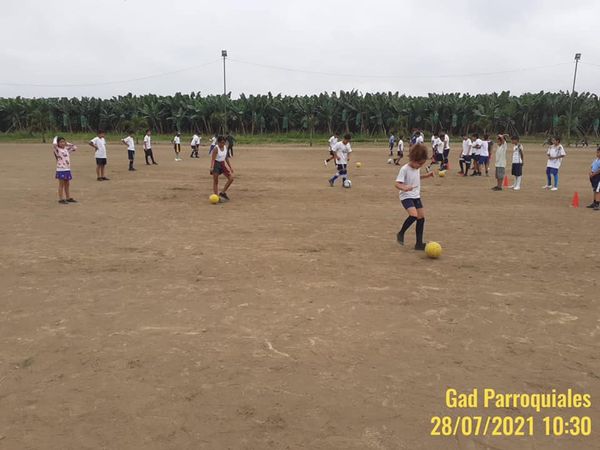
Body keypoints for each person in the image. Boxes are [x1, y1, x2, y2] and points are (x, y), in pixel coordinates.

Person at [395, 143, 434, 251]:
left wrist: (426, 176)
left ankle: (419, 244)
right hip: (406, 196)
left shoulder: (416, 168)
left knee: (421, 218)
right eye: (419, 163)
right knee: (413, 215)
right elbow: (397, 184)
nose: (420, 166)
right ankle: (401, 233)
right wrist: (404, 187)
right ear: (413, 159)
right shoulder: (404, 169)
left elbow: (416, 177)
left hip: (416, 196)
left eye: (422, 164)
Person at [53, 136, 78, 204]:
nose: (62, 143)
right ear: (58, 143)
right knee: (61, 184)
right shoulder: (57, 150)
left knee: (67, 184)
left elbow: (74, 147)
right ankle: (61, 199)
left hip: (67, 169)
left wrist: (67, 143)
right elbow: (54, 145)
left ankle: (68, 198)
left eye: (63, 142)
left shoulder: (66, 149)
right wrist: (56, 138)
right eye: (60, 142)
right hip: (61, 169)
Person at [210, 135, 234, 201]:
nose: (223, 144)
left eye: (224, 143)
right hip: (216, 164)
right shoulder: (216, 148)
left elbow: (226, 158)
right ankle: (216, 196)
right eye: (221, 143)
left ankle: (222, 193)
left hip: (222, 164)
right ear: (218, 142)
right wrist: (211, 167)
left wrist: (230, 167)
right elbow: (213, 159)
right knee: (216, 181)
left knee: (231, 178)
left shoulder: (225, 147)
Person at [587, 146, 600, 210]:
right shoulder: (596, 160)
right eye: (597, 152)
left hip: (598, 177)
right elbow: (592, 166)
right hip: (593, 176)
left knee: (598, 190)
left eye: (598, 152)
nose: (597, 154)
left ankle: (597, 204)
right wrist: (590, 172)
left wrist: (594, 174)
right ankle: (594, 202)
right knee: (595, 189)